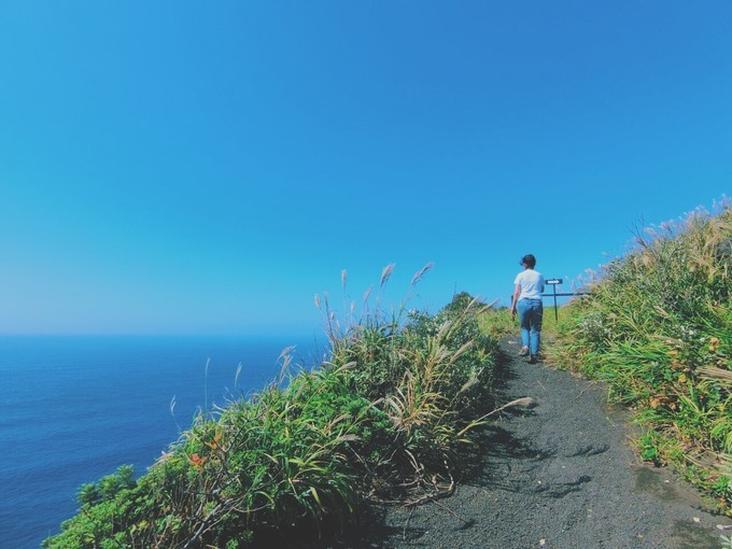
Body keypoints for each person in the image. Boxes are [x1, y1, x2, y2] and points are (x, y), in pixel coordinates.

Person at [510, 254, 544, 363]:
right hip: (537, 302)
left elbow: (516, 292)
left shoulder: (520, 275)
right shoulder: (539, 275)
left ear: (524, 264)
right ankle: (534, 354)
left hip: (523, 302)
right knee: (535, 329)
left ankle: (525, 346)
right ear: (534, 263)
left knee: (525, 327)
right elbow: (542, 289)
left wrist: (513, 306)